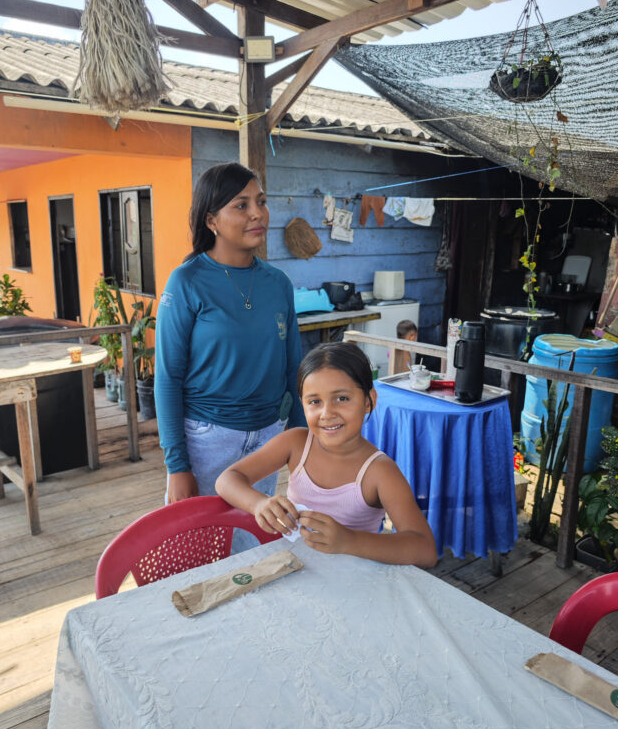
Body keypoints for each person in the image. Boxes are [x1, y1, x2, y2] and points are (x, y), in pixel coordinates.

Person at [155, 161, 305, 514]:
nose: (258, 214)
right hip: (207, 441)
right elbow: (167, 378)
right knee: (197, 549)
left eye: (262, 201)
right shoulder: (187, 282)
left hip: (269, 437)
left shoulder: (278, 283)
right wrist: (177, 466)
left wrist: (300, 439)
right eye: (241, 205)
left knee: (250, 544)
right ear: (211, 221)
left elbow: (293, 368)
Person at [216, 342, 437, 567]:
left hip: (354, 582)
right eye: (315, 402)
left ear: (369, 401)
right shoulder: (296, 443)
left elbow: (424, 549)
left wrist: (349, 540)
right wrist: (259, 504)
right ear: (303, 405)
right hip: (291, 570)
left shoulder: (379, 472)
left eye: (342, 398)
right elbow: (227, 479)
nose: (327, 413)